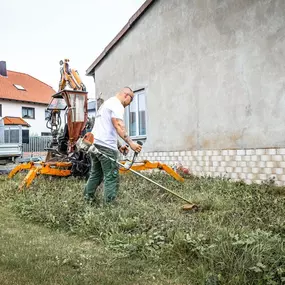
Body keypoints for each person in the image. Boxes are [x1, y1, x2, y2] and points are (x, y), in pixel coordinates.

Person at [84, 87, 142, 203]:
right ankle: (109, 206)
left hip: (95, 145)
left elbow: (107, 128)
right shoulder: (117, 105)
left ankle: (87, 199)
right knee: (111, 176)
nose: (127, 105)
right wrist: (131, 144)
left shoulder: (106, 104)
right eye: (129, 101)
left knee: (96, 174)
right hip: (106, 147)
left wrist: (119, 145)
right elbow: (119, 126)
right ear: (126, 96)